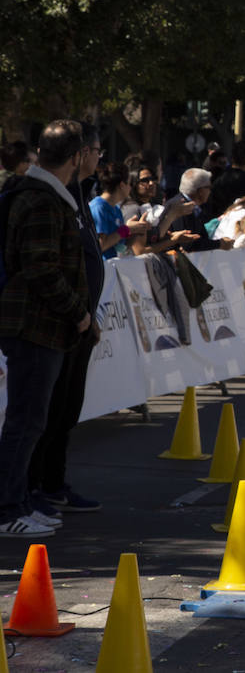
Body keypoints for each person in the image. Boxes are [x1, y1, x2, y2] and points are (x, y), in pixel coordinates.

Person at [0, 120, 92, 536]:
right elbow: (41, 269)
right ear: (75, 157)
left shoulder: (44, 196)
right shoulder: (41, 200)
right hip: (35, 326)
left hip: (41, 326)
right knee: (25, 420)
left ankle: (16, 500)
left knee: (30, 419)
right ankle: (6, 509)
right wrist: (77, 312)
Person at [88, 162, 149, 259]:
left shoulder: (116, 209)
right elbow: (100, 245)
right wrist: (126, 229)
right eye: (130, 183)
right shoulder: (98, 207)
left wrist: (137, 231)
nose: (130, 188)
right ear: (121, 185)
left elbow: (121, 248)